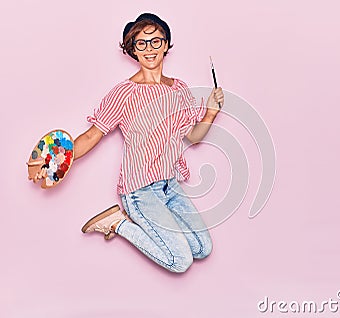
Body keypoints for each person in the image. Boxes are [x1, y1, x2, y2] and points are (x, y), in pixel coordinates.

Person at [34, 13, 224, 273]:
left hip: (170, 186)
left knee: (203, 249)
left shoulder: (179, 89)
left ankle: (126, 223)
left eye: (156, 41)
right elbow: (92, 135)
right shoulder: (124, 93)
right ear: (132, 49)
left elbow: (192, 136)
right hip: (140, 190)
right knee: (181, 262)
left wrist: (211, 111)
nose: (149, 49)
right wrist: (54, 159)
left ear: (166, 44)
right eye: (141, 43)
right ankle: (117, 222)